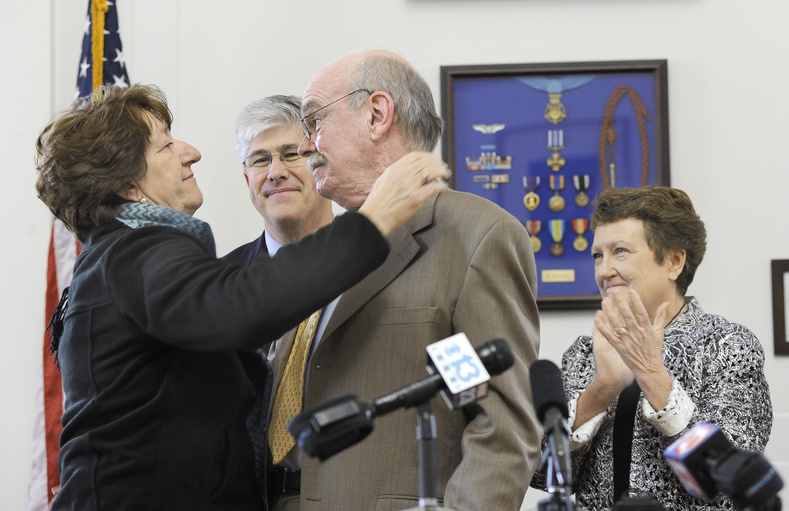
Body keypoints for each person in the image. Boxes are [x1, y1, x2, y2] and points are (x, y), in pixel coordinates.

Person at [33, 83, 449, 511]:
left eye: (292, 154)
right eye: (166, 146)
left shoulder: (114, 257)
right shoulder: (137, 252)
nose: (191, 152)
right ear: (128, 186)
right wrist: (374, 219)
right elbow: (243, 309)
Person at [272, 49, 541, 511]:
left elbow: (502, 424)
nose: (304, 146)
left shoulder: (474, 237)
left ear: (377, 115)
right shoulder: (326, 247)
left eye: (315, 121)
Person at [532, 186, 772, 509]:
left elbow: (731, 481)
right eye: (597, 255)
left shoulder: (728, 347)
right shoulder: (583, 353)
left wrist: (650, 373)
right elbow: (544, 475)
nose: (604, 271)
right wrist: (600, 391)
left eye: (620, 251)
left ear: (674, 262)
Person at [222, 94, 334, 499]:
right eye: (259, 159)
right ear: (247, 179)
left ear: (322, 162)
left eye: (292, 154)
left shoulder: (381, 266)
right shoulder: (218, 284)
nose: (275, 172)